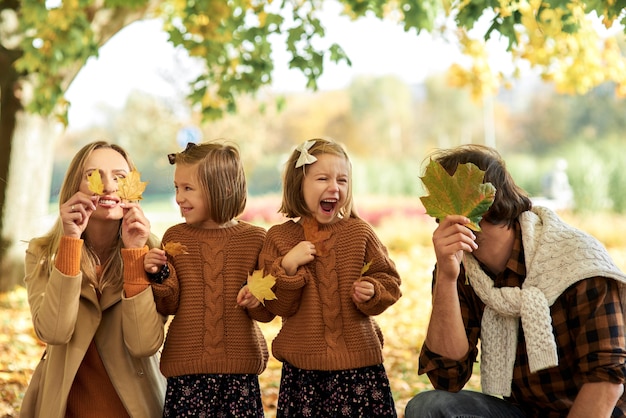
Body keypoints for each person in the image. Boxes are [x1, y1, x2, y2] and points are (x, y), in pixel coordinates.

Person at [405, 144, 626, 418]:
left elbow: (608, 381)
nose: (452, 220)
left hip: (597, 412)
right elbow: (446, 377)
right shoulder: (459, 266)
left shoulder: (577, 261)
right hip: (526, 411)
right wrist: (447, 279)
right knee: (429, 408)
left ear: (492, 202)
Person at [21, 141, 167, 418]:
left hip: (135, 409)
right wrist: (70, 243)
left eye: (120, 177)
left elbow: (144, 344)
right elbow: (53, 332)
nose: (109, 186)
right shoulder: (42, 253)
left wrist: (135, 255)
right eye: (94, 175)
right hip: (63, 408)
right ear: (75, 186)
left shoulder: (153, 252)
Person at [259, 138, 402, 417]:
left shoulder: (359, 232)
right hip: (303, 373)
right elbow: (276, 307)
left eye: (343, 180)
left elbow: (390, 280)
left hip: (359, 368)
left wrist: (373, 290)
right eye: (322, 178)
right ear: (298, 184)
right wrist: (287, 267)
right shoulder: (279, 238)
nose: (334, 187)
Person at [143, 141, 271, 417]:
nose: (179, 197)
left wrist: (255, 298)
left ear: (223, 189)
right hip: (186, 369)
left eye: (188, 188)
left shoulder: (255, 240)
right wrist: (159, 273)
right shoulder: (175, 238)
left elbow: (267, 312)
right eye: (176, 188)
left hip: (239, 369)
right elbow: (169, 305)